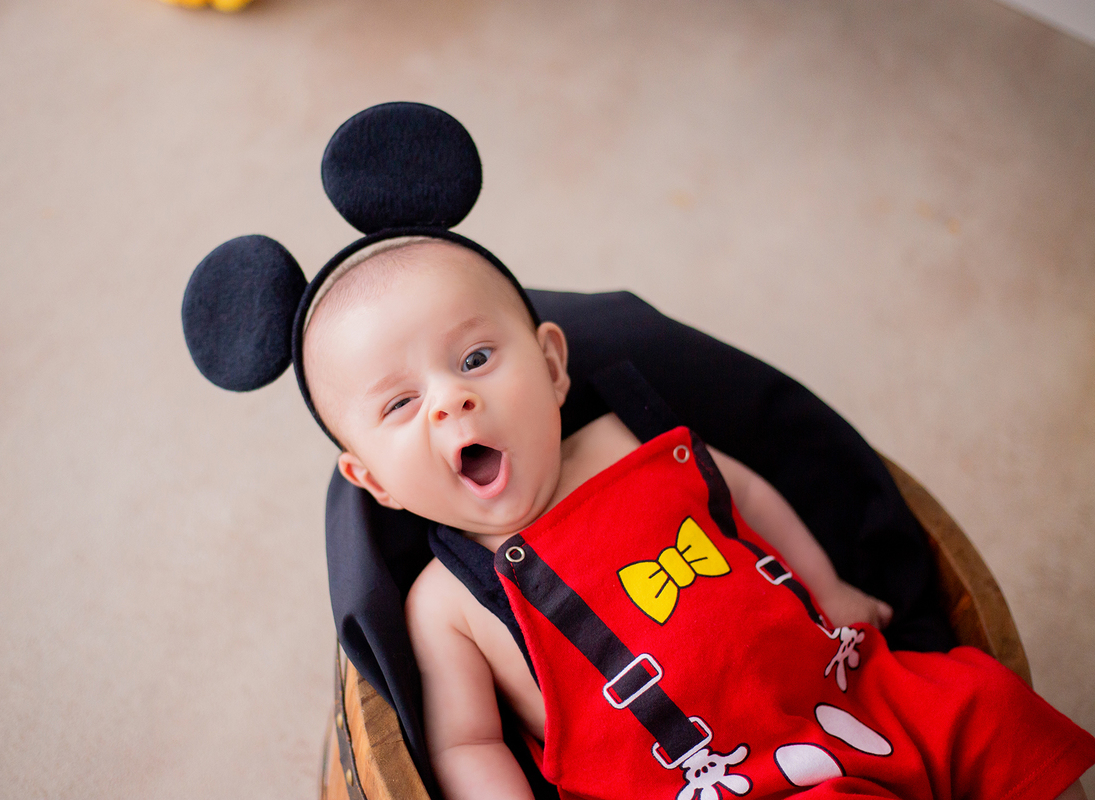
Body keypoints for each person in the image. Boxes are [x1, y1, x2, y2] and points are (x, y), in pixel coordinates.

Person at [303, 236, 1094, 800]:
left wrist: (830, 584)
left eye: (475, 358)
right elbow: (464, 742)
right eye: (401, 404)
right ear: (370, 477)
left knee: (986, 704)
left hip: (851, 688)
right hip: (703, 783)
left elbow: (744, 497)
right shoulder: (446, 603)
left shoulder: (626, 441)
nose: (452, 399)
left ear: (550, 367)